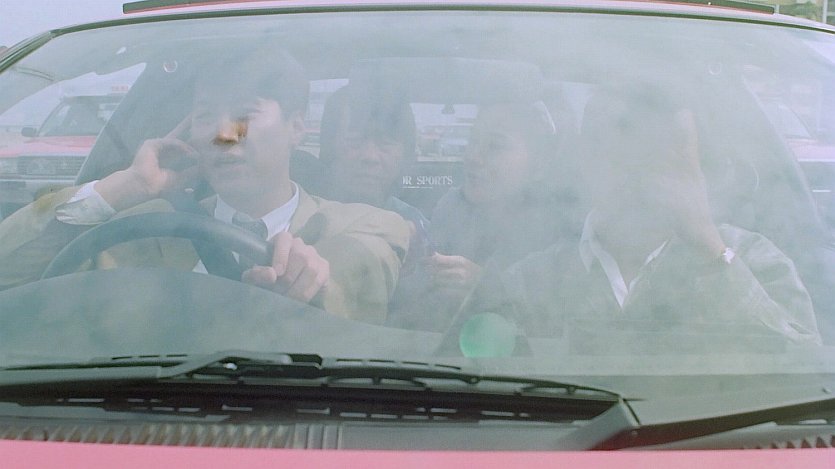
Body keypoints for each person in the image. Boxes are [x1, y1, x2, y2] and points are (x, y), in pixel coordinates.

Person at [0, 49, 410, 324]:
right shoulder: (137, 231)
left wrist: (315, 281)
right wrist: (125, 186)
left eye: (244, 115)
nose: (223, 137)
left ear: (296, 127)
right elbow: (9, 276)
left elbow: (357, 272)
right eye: (205, 117)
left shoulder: (368, 224)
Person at [464, 81, 822, 346]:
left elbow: (808, 376)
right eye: (613, 141)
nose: (637, 165)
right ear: (583, 159)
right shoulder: (533, 278)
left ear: (699, 167)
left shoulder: (754, 260)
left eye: (663, 149)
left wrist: (710, 250)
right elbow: (476, 379)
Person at [427, 101, 580, 302]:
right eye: (472, 140)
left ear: (539, 164)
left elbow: (557, 309)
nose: (473, 157)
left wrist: (487, 287)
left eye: (495, 146)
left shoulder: (563, 232)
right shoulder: (451, 208)